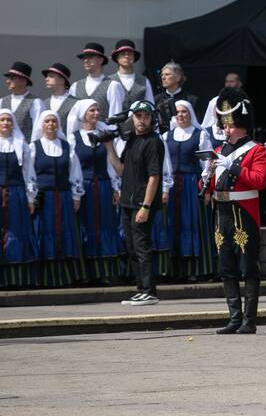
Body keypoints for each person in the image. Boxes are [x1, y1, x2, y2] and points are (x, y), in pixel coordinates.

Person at [205, 89, 266, 334]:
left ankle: (248, 320)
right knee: (226, 266)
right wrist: (205, 178)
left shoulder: (257, 150)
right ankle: (234, 318)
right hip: (222, 212)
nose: (226, 130)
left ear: (241, 126)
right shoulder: (219, 152)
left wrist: (233, 168)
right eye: (224, 125)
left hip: (244, 212)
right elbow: (211, 186)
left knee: (248, 266)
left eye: (230, 126)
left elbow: (259, 180)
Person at [105, 100, 163, 305]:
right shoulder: (131, 140)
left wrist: (146, 206)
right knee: (131, 246)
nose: (142, 120)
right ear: (132, 118)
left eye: (146, 116)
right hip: (128, 202)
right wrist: (109, 146)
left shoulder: (153, 141)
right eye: (138, 116)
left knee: (141, 245)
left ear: (151, 119)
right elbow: (122, 170)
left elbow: (154, 177)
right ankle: (141, 288)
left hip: (141, 202)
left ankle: (149, 290)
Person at [67, 99, 123, 284]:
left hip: (104, 185)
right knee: (86, 225)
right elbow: (72, 166)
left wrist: (116, 187)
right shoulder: (74, 137)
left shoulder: (104, 134)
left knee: (106, 224)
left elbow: (109, 161)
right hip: (84, 188)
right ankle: (86, 273)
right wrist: (75, 191)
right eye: (92, 110)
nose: (96, 113)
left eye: (97, 110)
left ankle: (106, 272)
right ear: (83, 113)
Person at [28, 109, 84, 287]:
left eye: (54, 121)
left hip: (64, 197)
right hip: (43, 199)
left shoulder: (67, 147)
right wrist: (31, 196)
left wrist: (76, 195)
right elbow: (29, 174)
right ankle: (43, 279)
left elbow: (75, 172)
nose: (51, 124)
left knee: (64, 231)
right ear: (41, 125)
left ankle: (66, 278)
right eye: (47, 121)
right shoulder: (33, 147)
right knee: (44, 232)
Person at [162, 100, 215, 280]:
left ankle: (195, 269)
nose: (181, 115)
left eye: (184, 112)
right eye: (177, 112)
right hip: (172, 185)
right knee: (173, 223)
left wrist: (206, 188)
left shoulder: (200, 135)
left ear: (190, 113)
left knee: (192, 222)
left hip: (192, 184)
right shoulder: (166, 136)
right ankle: (173, 269)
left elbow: (206, 164)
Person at [0, 108, 37, 287]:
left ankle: (16, 279)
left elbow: (28, 172)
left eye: (8, 120)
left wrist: (30, 198)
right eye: (2, 120)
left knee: (16, 230)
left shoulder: (21, 144)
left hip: (16, 193)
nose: (5, 123)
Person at [107, 40, 155, 114]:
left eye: (130, 54)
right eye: (122, 54)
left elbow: (150, 106)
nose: (126, 56)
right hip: (113, 124)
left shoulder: (144, 81)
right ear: (117, 58)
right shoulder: (108, 81)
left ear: (134, 57)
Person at [71, 42, 118, 116]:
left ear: (100, 60)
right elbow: (73, 116)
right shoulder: (75, 86)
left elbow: (115, 116)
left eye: (90, 57)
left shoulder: (113, 85)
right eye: (84, 58)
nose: (86, 60)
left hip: (104, 127)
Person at [2, 62, 42, 140]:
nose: (7, 81)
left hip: (25, 149)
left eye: (12, 78)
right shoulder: (2, 101)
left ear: (23, 80)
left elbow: (38, 130)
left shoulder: (35, 102)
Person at [156, 61, 199, 129]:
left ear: (178, 78)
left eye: (167, 74)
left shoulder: (191, 99)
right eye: (162, 75)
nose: (163, 78)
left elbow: (196, 123)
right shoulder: (156, 100)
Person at [42, 63, 77, 130]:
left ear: (62, 80)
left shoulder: (76, 103)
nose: (46, 79)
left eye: (51, 76)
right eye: (47, 76)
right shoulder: (44, 103)